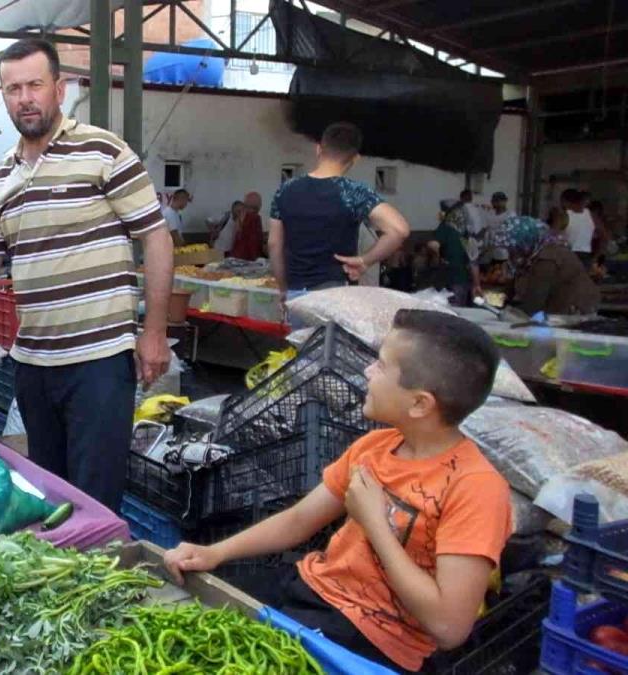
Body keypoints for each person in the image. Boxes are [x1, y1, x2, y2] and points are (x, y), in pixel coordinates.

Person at [0, 38, 174, 510]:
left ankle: (107, 578)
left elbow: (155, 238)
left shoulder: (103, 151)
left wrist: (154, 332)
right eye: (12, 89)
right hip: (33, 365)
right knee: (51, 494)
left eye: (34, 84)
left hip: (99, 360)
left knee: (95, 497)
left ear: (60, 88)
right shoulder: (1, 177)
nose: (24, 98)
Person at [164, 309, 511, 673]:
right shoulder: (377, 445)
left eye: (381, 366)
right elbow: (300, 520)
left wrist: (375, 524)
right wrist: (214, 553)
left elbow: (448, 627)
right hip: (309, 590)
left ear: (420, 403)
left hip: (373, 641)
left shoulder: (476, 489)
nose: (367, 372)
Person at [268, 122, 410, 300]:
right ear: (356, 158)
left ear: (318, 149)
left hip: (297, 293)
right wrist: (365, 261)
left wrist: (283, 289)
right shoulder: (352, 192)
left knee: (302, 330)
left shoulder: (285, 190)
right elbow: (399, 230)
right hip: (335, 295)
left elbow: (274, 244)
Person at [490, 215, 600, 316]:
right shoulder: (526, 258)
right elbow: (508, 292)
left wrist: (512, 314)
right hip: (556, 308)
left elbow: (533, 304)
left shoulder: (547, 259)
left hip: (575, 309)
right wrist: (486, 300)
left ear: (524, 243)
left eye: (513, 248)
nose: (511, 252)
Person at [436, 199, 477, 306]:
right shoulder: (463, 231)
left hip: (453, 278)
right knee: (458, 310)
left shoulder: (446, 228)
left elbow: (432, 245)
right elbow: (474, 261)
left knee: (452, 311)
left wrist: (438, 258)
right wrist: (477, 284)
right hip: (457, 279)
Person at [562, 188, 596, 267]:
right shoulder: (590, 214)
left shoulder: (565, 215)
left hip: (571, 254)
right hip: (582, 255)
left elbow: (553, 235)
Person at [231, 191, 265, 261]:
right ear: (259, 206)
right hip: (248, 263)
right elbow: (254, 246)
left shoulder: (240, 216)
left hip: (234, 259)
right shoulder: (255, 218)